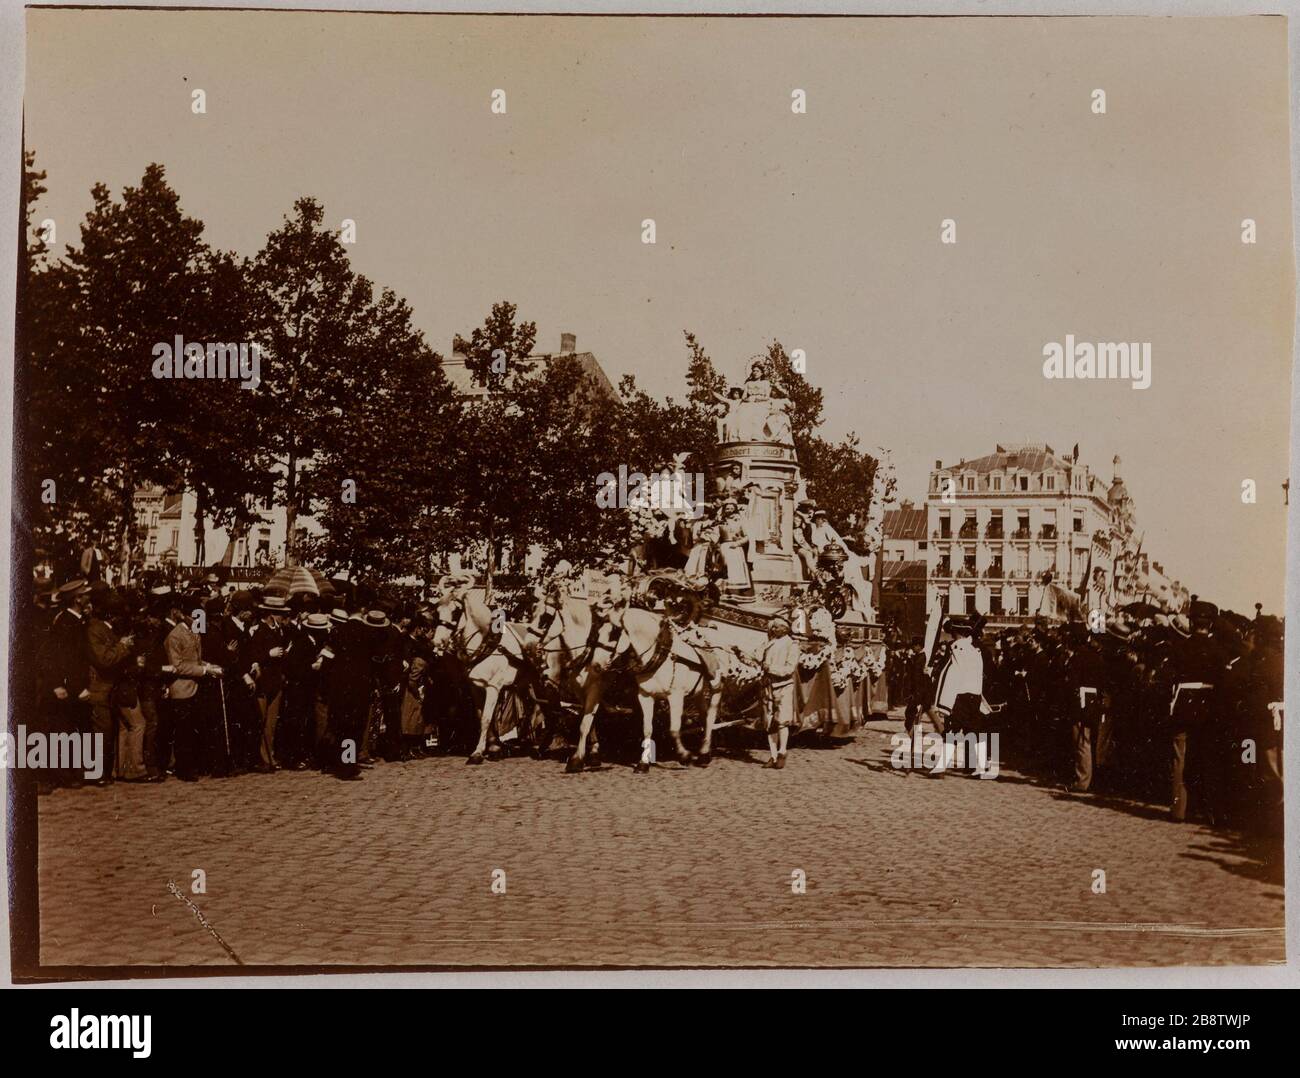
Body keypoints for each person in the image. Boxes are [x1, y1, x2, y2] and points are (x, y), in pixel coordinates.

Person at [163, 594, 223, 782]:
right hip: (181, 689)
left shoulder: (194, 632)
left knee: (193, 730)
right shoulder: (174, 636)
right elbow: (178, 666)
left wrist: (209, 666)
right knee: (183, 732)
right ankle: (183, 769)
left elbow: (196, 660)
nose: (197, 619)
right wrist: (204, 671)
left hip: (194, 687)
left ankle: (193, 765)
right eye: (194, 616)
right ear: (183, 615)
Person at [247, 594, 290, 771]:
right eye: (279, 613)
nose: (283, 617)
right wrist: (267, 655)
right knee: (261, 720)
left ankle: (268, 757)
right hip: (263, 682)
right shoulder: (258, 631)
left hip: (275, 681)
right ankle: (261, 758)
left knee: (270, 723)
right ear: (271, 614)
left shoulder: (279, 631)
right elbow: (251, 656)